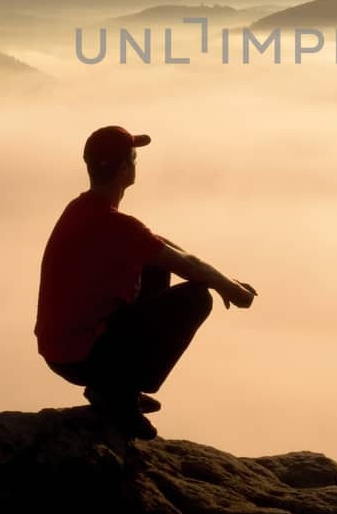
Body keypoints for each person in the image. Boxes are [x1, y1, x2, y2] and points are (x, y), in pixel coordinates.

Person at [35, 125, 257, 439]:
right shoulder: (114, 224)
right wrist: (229, 289)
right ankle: (117, 396)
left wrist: (222, 278)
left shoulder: (83, 210)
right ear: (124, 169)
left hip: (62, 349)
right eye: (134, 158)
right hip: (82, 356)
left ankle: (117, 386)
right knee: (197, 298)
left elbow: (159, 247)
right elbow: (185, 265)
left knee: (154, 267)